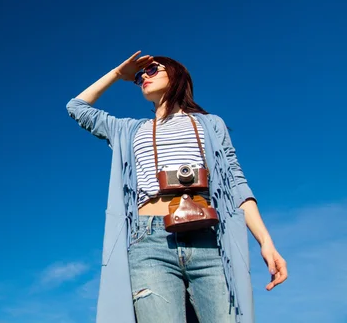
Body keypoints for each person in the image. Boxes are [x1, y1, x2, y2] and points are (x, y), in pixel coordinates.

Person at [66, 51, 288, 323]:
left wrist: (266, 242)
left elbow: (236, 185)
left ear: (176, 74)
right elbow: (77, 107)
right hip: (149, 240)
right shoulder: (128, 130)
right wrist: (116, 74)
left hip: (208, 238)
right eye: (138, 76)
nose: (142, 78)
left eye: (151, 70)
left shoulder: (209, 124)